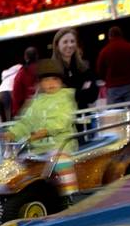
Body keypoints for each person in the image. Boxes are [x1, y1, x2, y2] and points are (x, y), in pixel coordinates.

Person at [8, 58, 79, 197]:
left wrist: (46, 131)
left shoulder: (65, 98)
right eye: (46, 80)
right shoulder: (36, 102)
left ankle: (70, 194)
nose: (51, 83)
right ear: (40, 83)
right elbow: (26, 121)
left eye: (55, 79)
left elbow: (63, 119)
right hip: (39, 148)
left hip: (61, 145)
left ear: (61, 82)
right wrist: (13, 133)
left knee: (61, 161)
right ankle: (25, 195)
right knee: (20, 162)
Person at [96, 26, 130, 107]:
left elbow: (100, 71)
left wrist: (108, 80)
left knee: (116, 114)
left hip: (113, 89)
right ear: (121, 35)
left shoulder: (104, 51)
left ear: (109, 36)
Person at [51, 27, 98, 110]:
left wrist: (70, 93)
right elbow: (57, 98)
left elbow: (93, 95)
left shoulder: (83, 67)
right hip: (62, 117)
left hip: (83, 115)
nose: (70, 45)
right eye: (65, 42)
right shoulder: (52, 70)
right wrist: (82, 91)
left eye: (72, 41)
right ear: (57, 45)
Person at [11, 46, 39, 117]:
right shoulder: (44, 70)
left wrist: (16, 112)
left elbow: (16, 95)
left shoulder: (21, 73)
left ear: (25, 57)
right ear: (37, 56)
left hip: (26, 112)